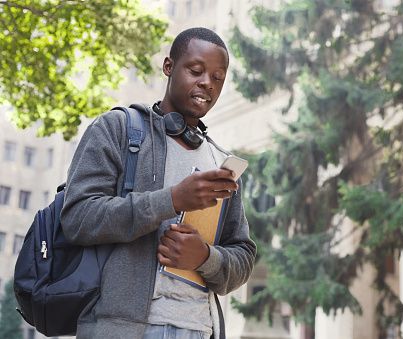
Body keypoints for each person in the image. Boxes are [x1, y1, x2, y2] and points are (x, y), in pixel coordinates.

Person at [61, 27, 256, 339]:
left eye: (218, 77)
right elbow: (78, 218)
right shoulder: (117, 130)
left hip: (200, 330)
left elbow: (243, 256)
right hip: (123, 330)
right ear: (169, 67)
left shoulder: (221, 163)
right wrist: (173, 200)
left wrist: (205, 258)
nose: (207, 82)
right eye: (196, 70)